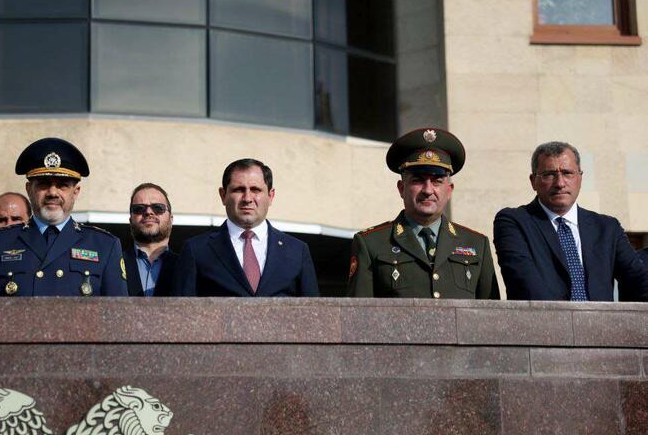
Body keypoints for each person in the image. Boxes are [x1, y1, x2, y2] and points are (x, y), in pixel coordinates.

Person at [347, 128, 498, 299]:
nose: (428, 190)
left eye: (437, 181)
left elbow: (492, 313)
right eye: (417, 180)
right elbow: (358, 312)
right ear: (401, 188)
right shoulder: (371, 243)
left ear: (449, 190)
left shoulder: (477, 245)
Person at [0, 137, 128, 297]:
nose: (52, 193)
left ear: (76, 192)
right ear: (29, 189)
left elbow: (117, 311)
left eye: (62, 185)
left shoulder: (104, 246)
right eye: (43, 184)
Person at [493, 141, 648, 301]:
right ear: (533, 181)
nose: (560, 183)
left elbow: (639, 281)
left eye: (567, 173)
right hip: (542, 317)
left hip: (600, 318)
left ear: (580, 178)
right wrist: (571, 316)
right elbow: (524, 285)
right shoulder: (514, 223)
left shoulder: (607, 228)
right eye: (549, 174)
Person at [174, 158, 319, 297]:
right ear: (223, 195)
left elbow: (313, 310)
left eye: (256, 190)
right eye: (238, 189)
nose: (247, 198)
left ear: (271, 196)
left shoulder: (297, 251)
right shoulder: (196, 249)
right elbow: (181, 310)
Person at [124, 183, 178, 296]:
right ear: (130, 220)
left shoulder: (185, 265)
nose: (148, 212)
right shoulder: (113, 263)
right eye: (139, 208)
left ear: (171, 219)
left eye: (158, 208)